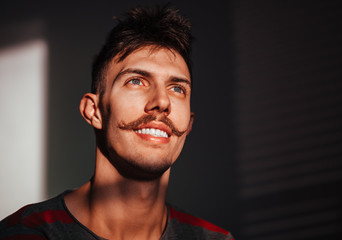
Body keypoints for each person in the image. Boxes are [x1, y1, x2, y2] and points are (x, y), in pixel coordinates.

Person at [0, 5, 234, 240]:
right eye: (136, 81)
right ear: (94, 111)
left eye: (177, 88)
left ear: (189, 124)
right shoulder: (26, 231)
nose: (162, 102)